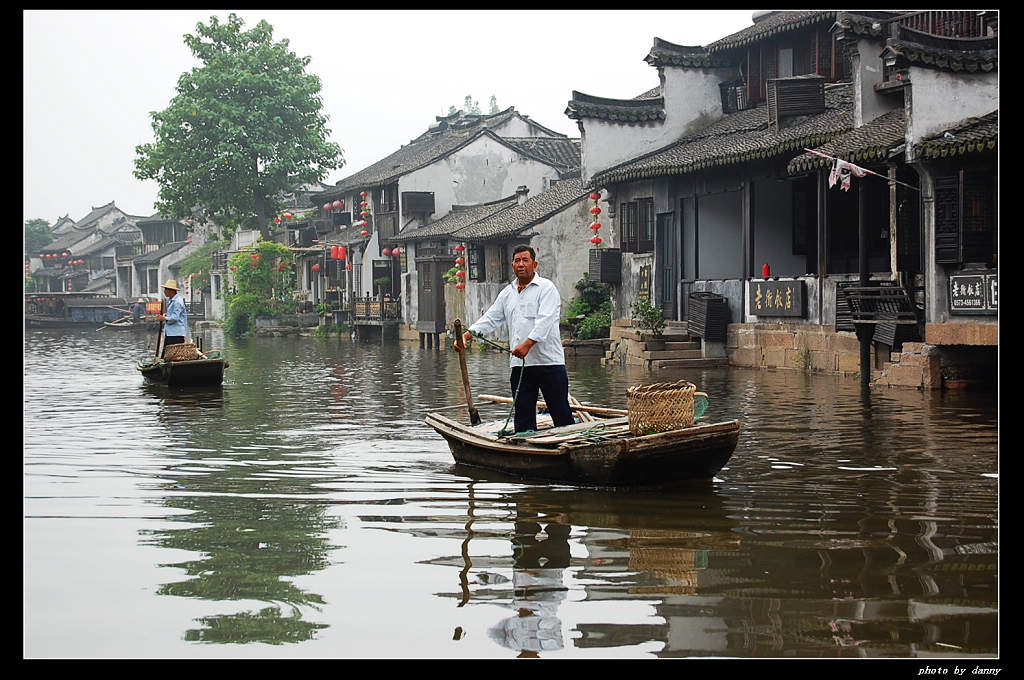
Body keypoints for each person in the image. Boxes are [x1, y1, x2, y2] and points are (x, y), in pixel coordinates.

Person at [455, 244, 573, 433]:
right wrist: (467, 335)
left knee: (561, 413)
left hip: (549, 363)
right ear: (512, 265)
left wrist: (527, 344)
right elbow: (492, 317)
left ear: (534, 264)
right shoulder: (508, 293)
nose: (521, 264)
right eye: (517, 261)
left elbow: (546, 321)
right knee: (523, 416)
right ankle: (527, 450)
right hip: (520, 366)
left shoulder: (546, 288)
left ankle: (570, 446)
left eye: (525, 260)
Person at [155, 279, 187, 356]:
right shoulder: (172, 301)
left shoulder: (177, 302)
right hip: (170, 333)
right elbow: (172, 315)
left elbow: (175, 318)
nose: (164, 291)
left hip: (176, 334)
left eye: (166, 289)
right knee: (166, 355)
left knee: (173, 355)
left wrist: (164, 318)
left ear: (171, 291)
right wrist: (165, 316)